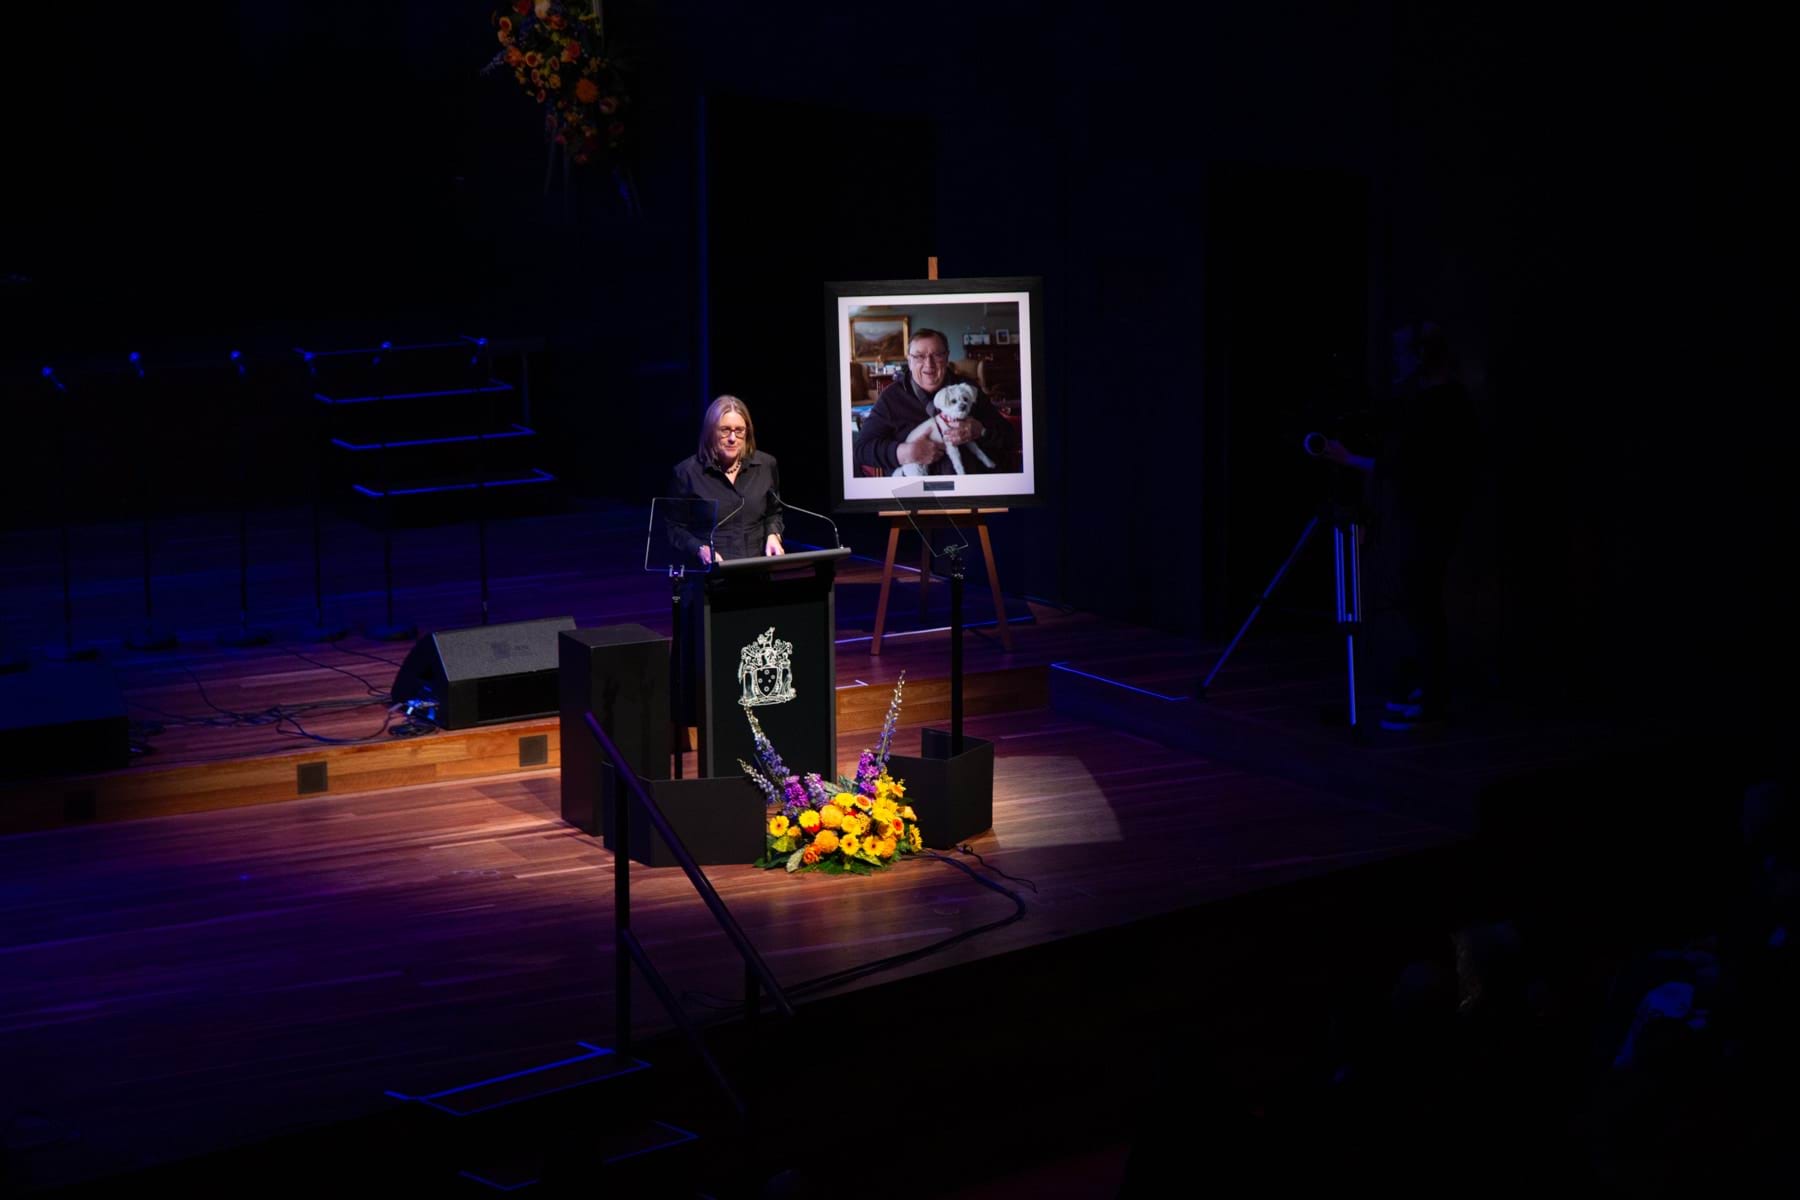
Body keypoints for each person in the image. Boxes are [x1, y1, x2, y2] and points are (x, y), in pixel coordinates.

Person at [1321, 320, 1480, 730]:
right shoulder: (1439, 401)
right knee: (1418, 604)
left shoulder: (1440, 405)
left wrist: (1349, 460)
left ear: (1421, 357)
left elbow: (1411, 467)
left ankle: (1430, 700)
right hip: (1425, 517)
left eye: (1400, 354)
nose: (1394, 363)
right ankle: (1426, 692)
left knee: (1419, 605)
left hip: (1425, 519)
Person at [667, 395, 785, 735]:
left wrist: (774, 535)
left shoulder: (766, 465)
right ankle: (717, 735)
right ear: (710, 433)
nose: (732, 438)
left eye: (739, 430)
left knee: (752, 672)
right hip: (709, 587)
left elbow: (774, 512)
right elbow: (674, 530)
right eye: (724, 431)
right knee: (717, 674)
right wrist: (700, 549)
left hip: (755, 585)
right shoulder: (687, 474)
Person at [851, 328, 1019, 476]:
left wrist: (980, 431)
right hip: (914, 491)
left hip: (969, 486)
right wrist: (905, 452)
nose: (928, 364)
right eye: (919, 356)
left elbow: (1009, 436)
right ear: (909, 361)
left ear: (946, 358)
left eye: (937, 355)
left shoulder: (967, 390)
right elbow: (861, 449)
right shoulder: (892, 397)